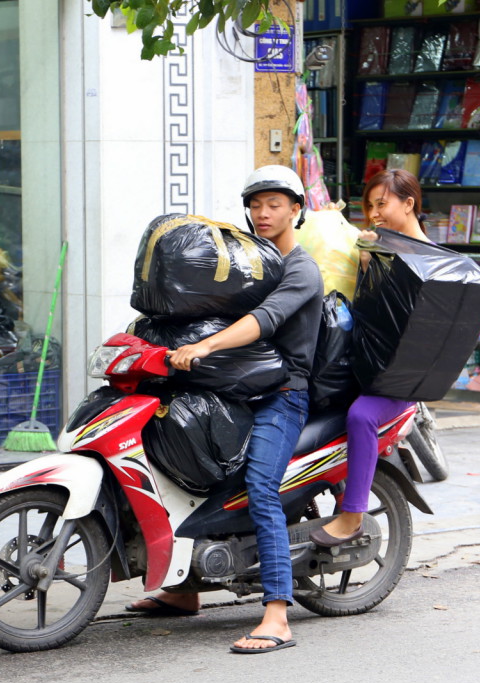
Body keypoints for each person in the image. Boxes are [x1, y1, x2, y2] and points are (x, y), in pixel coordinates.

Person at [127, 165, 324, 654]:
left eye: (274, 204)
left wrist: (206, 347)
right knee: (186, 460)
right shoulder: (248, 264)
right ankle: (186, 590)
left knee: (260, 485)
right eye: (256, 205)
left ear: (296, 210)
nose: (263, 213)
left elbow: (265, 320)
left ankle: (277, 614)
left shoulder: (300, 268)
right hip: (238, 387)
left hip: (284, 395)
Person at [309, 168, 427, 548]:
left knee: (361, 415)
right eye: (370, 206)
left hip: (400, 376)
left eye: (382, 204)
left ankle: (352, 515)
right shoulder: (378, 250)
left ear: (408, 204)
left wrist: (373, 263)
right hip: (364, 365)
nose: (374, 213)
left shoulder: (431, 261)